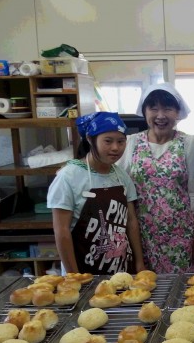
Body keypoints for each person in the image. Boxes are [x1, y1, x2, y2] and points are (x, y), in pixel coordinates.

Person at [116, 83, 194, 273]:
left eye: (168, 108)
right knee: (144, 285)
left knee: (180, 286)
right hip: (141, 236)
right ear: (145, 111)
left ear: (178, 112)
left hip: (180, 235)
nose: (160, 115)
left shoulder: (188, 143)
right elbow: (115, 179)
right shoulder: (131, 142)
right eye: (153, 108)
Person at [47, 111, 145, 275]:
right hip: (82, 270)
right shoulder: (68, 177)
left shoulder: (121, 176)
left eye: (121, 141)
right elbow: (62, 231)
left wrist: (139, 263)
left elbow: (131, 221)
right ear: (90, 139)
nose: (115, 147)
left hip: (120, 269)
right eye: (108, 141)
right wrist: (73, 275)